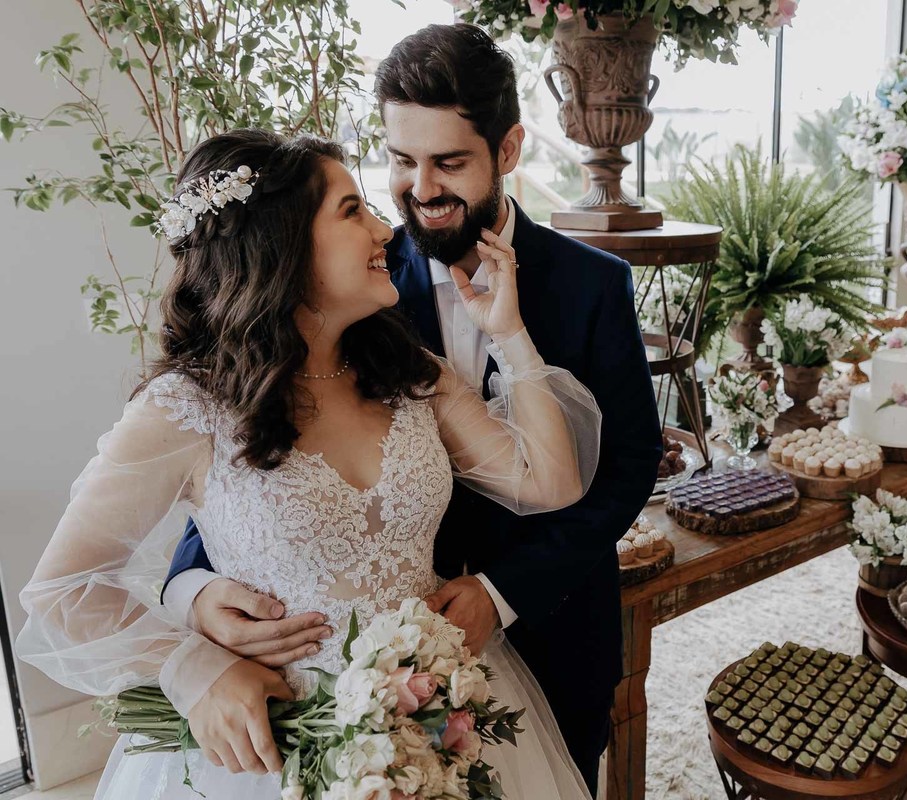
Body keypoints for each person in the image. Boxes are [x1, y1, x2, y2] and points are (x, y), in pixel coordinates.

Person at [18, 128, 603, 798]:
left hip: (433, 719)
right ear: (283, 243)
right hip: (274, 748)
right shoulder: (185, 408)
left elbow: (549, 484)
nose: (384, 231)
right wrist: (192, 667)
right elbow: (60, 591)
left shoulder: (412, 374)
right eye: (353, 211)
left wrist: (510, 335)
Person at [160, 23, 662, 796]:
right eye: (401, 160)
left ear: (508, 149)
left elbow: (628, 465)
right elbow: (251, 451)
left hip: (550, 630)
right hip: (350, 678)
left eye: (448, 162)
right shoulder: (345, 277)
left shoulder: (593, 284)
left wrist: (501, 595)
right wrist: (191, 587)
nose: (420, 188)